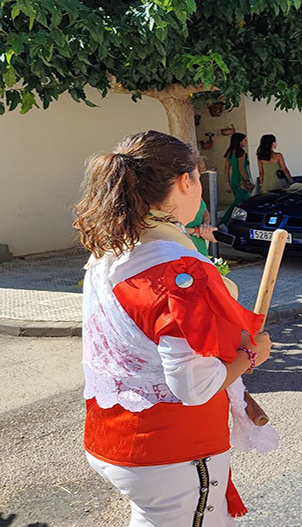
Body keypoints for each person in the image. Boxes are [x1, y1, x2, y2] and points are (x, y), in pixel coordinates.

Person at [74, 131, 276, 526]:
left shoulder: (112, 251)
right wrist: (250, 356)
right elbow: (194, 386)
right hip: (172, 450)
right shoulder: (180, 272)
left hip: (113, 434)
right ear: (186, 181)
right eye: (199, 177)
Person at [221, 133, 252, 224]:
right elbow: (241, 168)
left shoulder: (230, 153)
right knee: (239, 203)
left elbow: (226, 169)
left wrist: (227, 183)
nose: (245, 142)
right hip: (241, 180)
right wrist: (247, 181)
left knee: (241, 202)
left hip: (234, 179)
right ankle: (224, 221)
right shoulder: (241, 153)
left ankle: (239, 221)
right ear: (240, 142)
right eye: (244, 140)